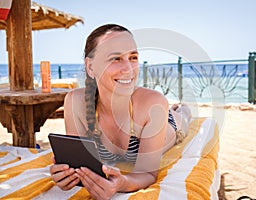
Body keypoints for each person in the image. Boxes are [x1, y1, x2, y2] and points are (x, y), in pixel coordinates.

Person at [49, 24, 192, 199]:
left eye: (133, 57)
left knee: (183, 117)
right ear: (91, 67)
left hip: (170, 126)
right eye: (115, 58)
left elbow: (147, 174)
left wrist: (121, 183)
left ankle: (182, 108)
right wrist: (68, 175)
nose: (128, 69)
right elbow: (79, 165)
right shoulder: (75, 102)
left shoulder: (153, 103)